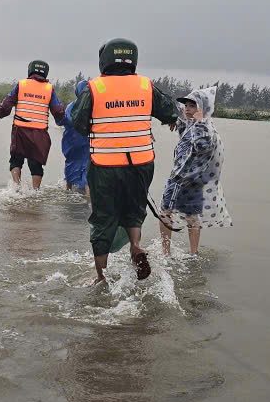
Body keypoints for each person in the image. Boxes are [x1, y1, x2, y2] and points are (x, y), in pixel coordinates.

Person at [71, 38, 177, 284]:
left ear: (104, 60)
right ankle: (136, 246)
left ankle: (100, 277)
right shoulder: (145, 85)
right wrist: (170, 118)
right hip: (141, 164)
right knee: (134, 211)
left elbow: (78, 122)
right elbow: (169, 110)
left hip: (105, 166)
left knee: (103, 218)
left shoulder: (95, 87)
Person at [160, 86, 232, 255]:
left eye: (192, 106)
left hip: (184, 179)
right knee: (185, 215)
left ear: (201, 109)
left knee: (168, 213)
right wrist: (173, 120)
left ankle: (170, 253)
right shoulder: (191, 124)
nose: (187, 109)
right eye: (186, 106)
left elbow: (202, 146)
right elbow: (179, 119)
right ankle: (186, 253)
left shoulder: (204, 128)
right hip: (188, 179)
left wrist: (199, 123)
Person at [0, 60, 66, 189]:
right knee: (36, 164)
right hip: (39, 133)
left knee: (15, 160)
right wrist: (62, 122)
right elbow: (58, 110)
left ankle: (16, 189)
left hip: (20, 130)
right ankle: (35, 193)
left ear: (30, 70)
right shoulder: (49, 89)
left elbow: (6, 104)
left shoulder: (21, 85)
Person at [60, 79, 91, 196]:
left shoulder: (71, 106)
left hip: (72, 143)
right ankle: (89, 200)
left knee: (70, 167)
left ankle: (68, 192)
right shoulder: (93, 106)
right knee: (87, 169)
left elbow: (65, 121)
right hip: (87, 142)